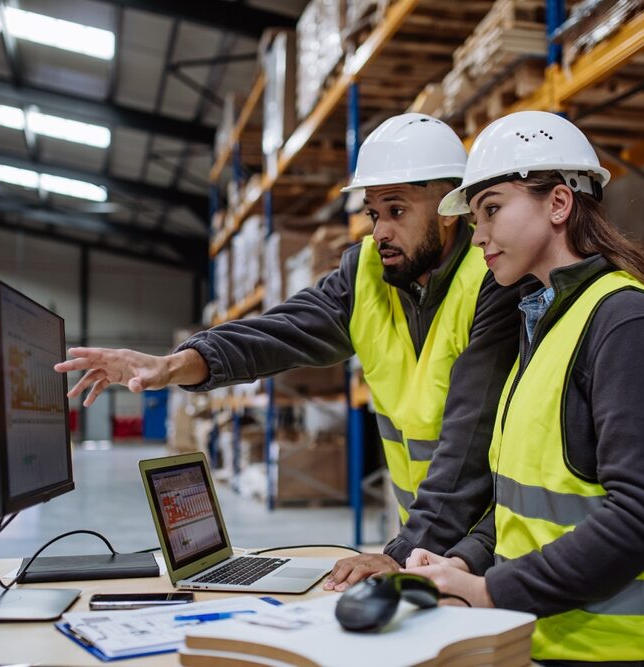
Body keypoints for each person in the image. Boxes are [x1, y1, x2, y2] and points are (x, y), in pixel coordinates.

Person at [54, 113, 529, 591]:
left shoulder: (494, 279)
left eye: (397, 211)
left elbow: (470, 439)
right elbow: (277, 332)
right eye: (373, 213)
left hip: (490, 546)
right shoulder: (364, 273)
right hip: (425, 542)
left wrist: (403, 551)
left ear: (449, 210)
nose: (380, 231)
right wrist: (172, 365)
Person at [406, 110, 644, 665]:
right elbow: (531, 505)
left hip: (636, 651)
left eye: (492, 210)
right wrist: (467, 561)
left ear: (558, 203)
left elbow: (643, 515)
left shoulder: (629, 325)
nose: (477, 235)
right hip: (560, 640)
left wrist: (493, 592)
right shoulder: (546, 323)